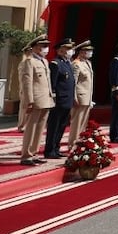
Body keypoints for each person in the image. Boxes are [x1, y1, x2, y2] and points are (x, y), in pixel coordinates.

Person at [19, 35, 53, 166]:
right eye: (43, 46)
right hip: (35, 99)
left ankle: (34, 152)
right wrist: (29, 101)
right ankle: (26, 155)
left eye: (46, 46)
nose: (46, 49)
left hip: (46, 99)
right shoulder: (29, 61)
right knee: (31, 128)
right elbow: (27, 83)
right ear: (35, 48)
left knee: (39, 128)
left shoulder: (44, 61)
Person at [43, 37, 76, 159]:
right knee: (54, 126)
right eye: (67, 48)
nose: (70, 51)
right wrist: (54, 98)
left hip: (67, 100)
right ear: (60, 50)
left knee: (62, 126)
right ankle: (50, 150)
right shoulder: (55, 64)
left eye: (70, 48)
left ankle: (56, 148)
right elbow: (53, 84)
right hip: (59, 101)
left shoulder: (68, 63)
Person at [67, 41, 94, 147]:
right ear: (82, 52)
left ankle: (80, 142)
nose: (90, 53)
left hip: (87, 97)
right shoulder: (76, 64)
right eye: (88, 51)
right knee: (76, 123)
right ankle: (73, 144)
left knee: (83, 123)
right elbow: (73, 82)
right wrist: (74, 98)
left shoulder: (87, 63)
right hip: (79, 97)